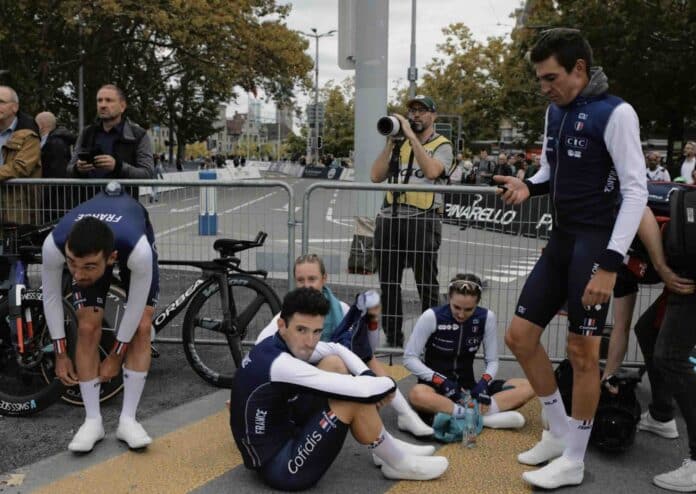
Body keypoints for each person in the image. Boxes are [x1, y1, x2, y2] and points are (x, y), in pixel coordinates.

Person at [495, 28, 648, 489]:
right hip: (562, 239)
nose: (545, 87)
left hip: (596, 244)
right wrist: (529, 185)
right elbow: (549, 168)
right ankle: (559, 432)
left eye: (551, 77)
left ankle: (575, 459)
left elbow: (636, 189)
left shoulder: (617, 113)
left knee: (584, 353)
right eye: (540, 79)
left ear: (579, 69)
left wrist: (609, 264)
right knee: (520, 337)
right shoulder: (554, 110)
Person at [231, 288, 448, 491]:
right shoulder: (280, 364)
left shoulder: (274, 343)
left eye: (317, 331)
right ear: (281, 325)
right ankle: (397, 461)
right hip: (282, 468)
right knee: (351, 398)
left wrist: (368, 376)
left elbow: (336, 348)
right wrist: (386, 385)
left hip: (284, 431)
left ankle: (383, 448)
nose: (310, 341)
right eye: (301, 330)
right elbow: (362, 392)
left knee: (334, 362)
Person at [256, 253, 434, 438]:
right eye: (301, 280)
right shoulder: (288, 315)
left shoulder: (341, 308)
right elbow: (260, 349)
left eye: (312, 279)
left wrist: (372, 322)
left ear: (324, 279)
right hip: (300, 380)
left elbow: (366, 349)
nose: (307, 285)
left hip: (331, 373)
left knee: (366, 359)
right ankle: (380, 436)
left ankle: (403, 414)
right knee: (338, 363)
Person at [42, 182, 160, 453]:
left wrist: (116, 356)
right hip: (95, 240)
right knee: (86, 327)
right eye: (71, 263)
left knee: (142, 326)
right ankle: (92, 420)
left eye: (88, 267)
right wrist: (60, 353)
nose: (78, 275)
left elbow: (134, 309)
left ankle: (128, 420)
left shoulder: (137, 251)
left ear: (111, 259)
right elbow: (51, 298)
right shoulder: (55, 244)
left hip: (132, 233)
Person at [370, 95, 453, 347]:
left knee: (426, 283)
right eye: (412, 111)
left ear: (433, 116)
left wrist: (412, 137)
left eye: (422, 110)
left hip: (422, 218)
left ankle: (433, 337)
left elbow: (431, 171)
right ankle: (393, 336)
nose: (415, 115)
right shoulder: (400, 144)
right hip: (391, 217)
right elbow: (375, 176)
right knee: (389, 282)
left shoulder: (442, 145)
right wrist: (390, 143)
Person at [404, 273, 535, 429]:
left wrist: (484, 383)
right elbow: (409, 358)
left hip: (469, 387)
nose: (461, 314)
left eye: (468, 309)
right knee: (417, 395)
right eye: (456, 307)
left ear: (478, 303)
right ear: (449, 300)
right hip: (436, 387)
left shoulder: (486, 318)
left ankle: (465, 414)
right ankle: (483, 418)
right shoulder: (431, 316)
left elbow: (492, 360)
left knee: (530, 386)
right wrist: (441, 381)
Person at [68, 84, 154, 201]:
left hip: (122, 207)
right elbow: (69, 169)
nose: (103, 105)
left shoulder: (138, 135)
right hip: (88, 205)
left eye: (109, 100)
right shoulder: (87, 133)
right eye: (99, 100)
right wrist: (78, 168)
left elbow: (147, 174)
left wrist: (117, 166)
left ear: (122, 106)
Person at [0, 85, 41, 225]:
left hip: (17, 206)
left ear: (15, 107)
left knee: (13, 245)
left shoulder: (29, 136)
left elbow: (21, 167)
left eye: (1, 102)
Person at [36, 111, 76, 221]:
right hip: (55, 196)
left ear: (40, 125)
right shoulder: (54, 141)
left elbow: (57, 171)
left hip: (55, 198)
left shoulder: (55, 143)